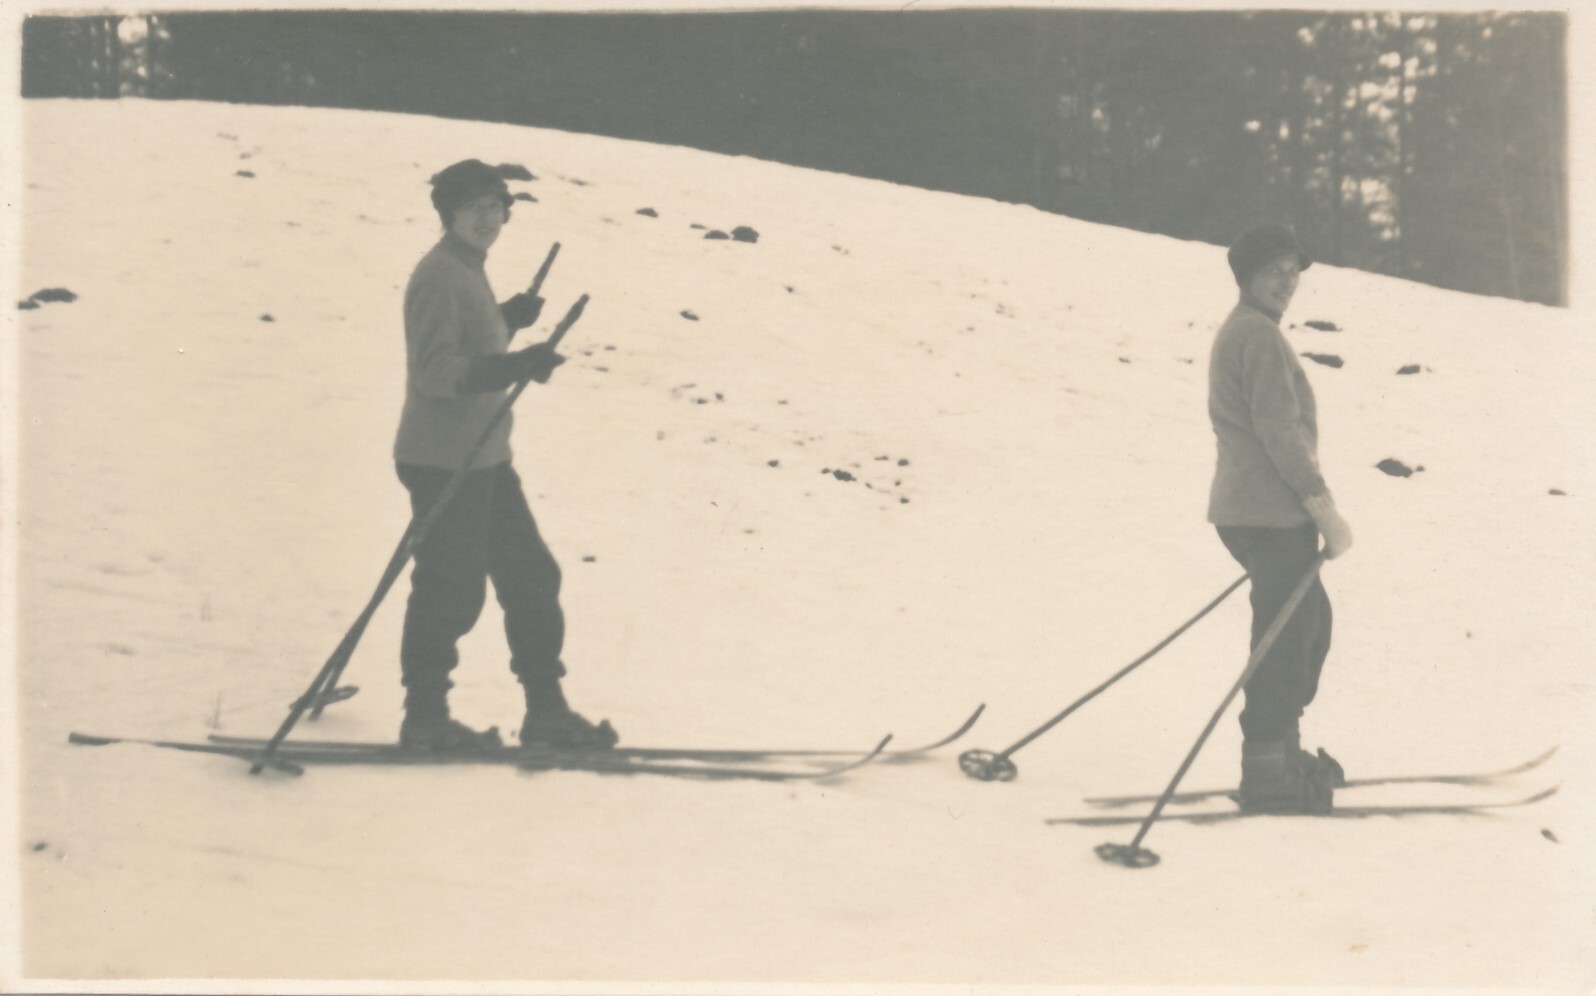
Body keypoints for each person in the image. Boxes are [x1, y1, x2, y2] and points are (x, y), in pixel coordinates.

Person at [392, 158, 618, 752]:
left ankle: (547, 711)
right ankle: (425, 719)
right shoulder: (439, 276)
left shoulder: (468, 267)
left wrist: (504, 322)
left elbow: (470, 340)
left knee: (530, 577)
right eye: (475, 208)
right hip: (443, 459)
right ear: (449, 214)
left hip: (484, 456)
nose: (489, 218)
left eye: (496, 207)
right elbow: (436, 372)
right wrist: (512, 365)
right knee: (451, 590)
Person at [1206, 223, 1351, 813]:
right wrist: (1321, 505)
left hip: (1260, 510)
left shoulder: (1250, 330)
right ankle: (1267, 770)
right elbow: (1279, 430)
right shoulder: (1257, 335)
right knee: (1287, 638)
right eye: (1274, 271)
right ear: (1247, 276)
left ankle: (1281, 752)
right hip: (1268, 514)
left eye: (1293, 272)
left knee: (1306, 626)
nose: (1287, 283)